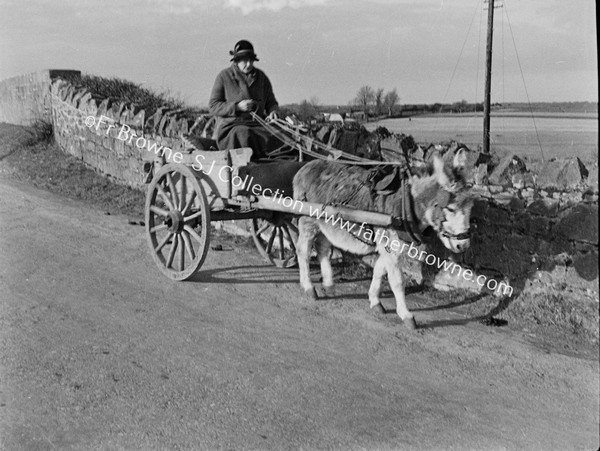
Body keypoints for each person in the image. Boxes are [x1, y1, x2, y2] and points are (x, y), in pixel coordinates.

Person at [209, 40, 279, 159]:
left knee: (280, 136)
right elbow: (213, 106)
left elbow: (271, 102)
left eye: (251, 60)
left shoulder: (261, 77)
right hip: (230, 128)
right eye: (244, 61)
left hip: (257, 126)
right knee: (243, 133)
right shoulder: (224, 76)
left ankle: (271, 165)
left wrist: (273, 111)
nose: (248, 64)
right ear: (236, 61)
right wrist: (236, 107)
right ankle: (249, 165)